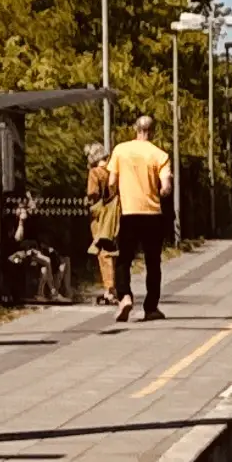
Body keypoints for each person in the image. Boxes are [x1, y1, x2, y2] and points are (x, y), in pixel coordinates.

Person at [108, 114, 174, 322]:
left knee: (123, 260)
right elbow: (166, 188)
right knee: (153, 262)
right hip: (153, 214)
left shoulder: (120, 150)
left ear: (135, 129)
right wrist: (161, 191)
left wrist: (116, 195)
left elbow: (111, 183)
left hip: (128, 213)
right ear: (152, 132)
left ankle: (125, 296)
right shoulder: (160, 155)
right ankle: (151, 307)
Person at [87, 141, 122, 309]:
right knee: (114, 253)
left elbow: (92, 194)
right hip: (116, 214)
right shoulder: (114, 172)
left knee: (103, 254)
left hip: (101, 219)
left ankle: (109, 289)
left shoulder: (95, 173)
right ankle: (116, 287)